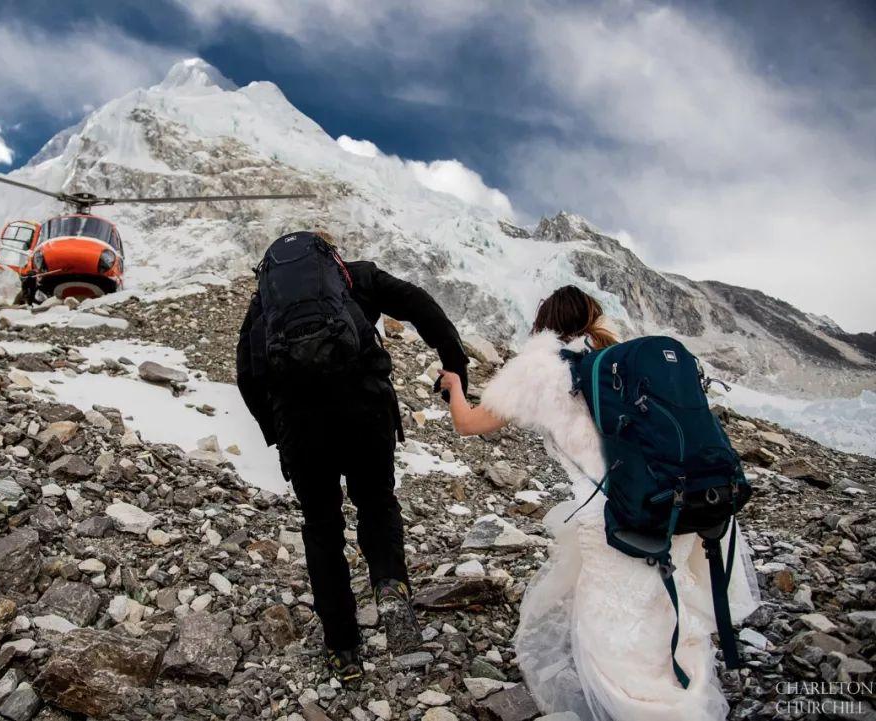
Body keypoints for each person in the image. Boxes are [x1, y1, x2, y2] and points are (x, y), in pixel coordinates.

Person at [438, 285, 759, 721]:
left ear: (543, 325)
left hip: (613, 519)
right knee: (669, 610)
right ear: (593, 317)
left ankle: (652, 711)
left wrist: (455, 385)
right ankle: (689, 694)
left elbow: (469, 423)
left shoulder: (538, 369)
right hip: (675, 503)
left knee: (613, 633)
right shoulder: (623, 362)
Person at [237, 230, 469, 682]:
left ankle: (343, 650)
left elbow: (248, 375)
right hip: (366, 411)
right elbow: (422, 305)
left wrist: (277, 433)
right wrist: (454, 363)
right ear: (330, 257)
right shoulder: (355, 278)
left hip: (302, 430)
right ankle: (388, 584)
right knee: (377, 502)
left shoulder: (264, 306)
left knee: (322, 528)